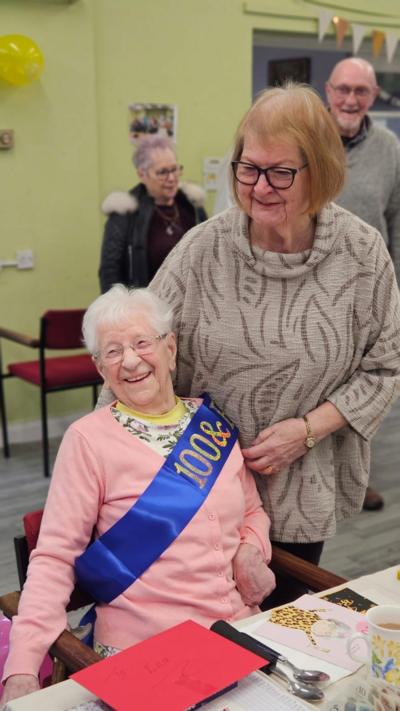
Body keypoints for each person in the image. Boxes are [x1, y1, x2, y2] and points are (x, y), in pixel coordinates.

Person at [139, 83, 400, 599]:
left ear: (320, 171)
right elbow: (140, 349)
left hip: (298, 493)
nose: (259, 187)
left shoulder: (362, 254)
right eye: (248, 167)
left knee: (275, 637)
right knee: (198, 635)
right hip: (193, 490)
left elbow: (385, 367)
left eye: (280, 172)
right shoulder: (202, 249)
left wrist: (306, 430)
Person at [1, 286, 275, 706]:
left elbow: (252, 511)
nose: (130, 361)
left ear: (170, 348)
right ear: (99, 367)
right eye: (112, 352)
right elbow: (54, 557)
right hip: (150, 651)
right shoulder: (88, 440)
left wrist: (250, 550)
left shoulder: (212, 426)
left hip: (237, 631)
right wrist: (21, 669)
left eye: (142, 343)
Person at [326, 57, 400, 511]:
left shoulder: (390, 147)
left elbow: (396, 219)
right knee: (315, 387)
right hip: (311, 288)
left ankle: (353, 481)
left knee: (365, 391)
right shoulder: (307, 138)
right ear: (328, 91)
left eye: (361, 92)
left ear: (373, 97)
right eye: (343, 89)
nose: (351, 99)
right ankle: (314, 483)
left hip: (369, 294)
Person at [98, 135, 207, 293]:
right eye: (162, 172)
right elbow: (110, 273)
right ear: (142, 175)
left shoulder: (193, 208)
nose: (171, 178)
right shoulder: (124, 214)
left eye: (175, 169)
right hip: (147, 310)